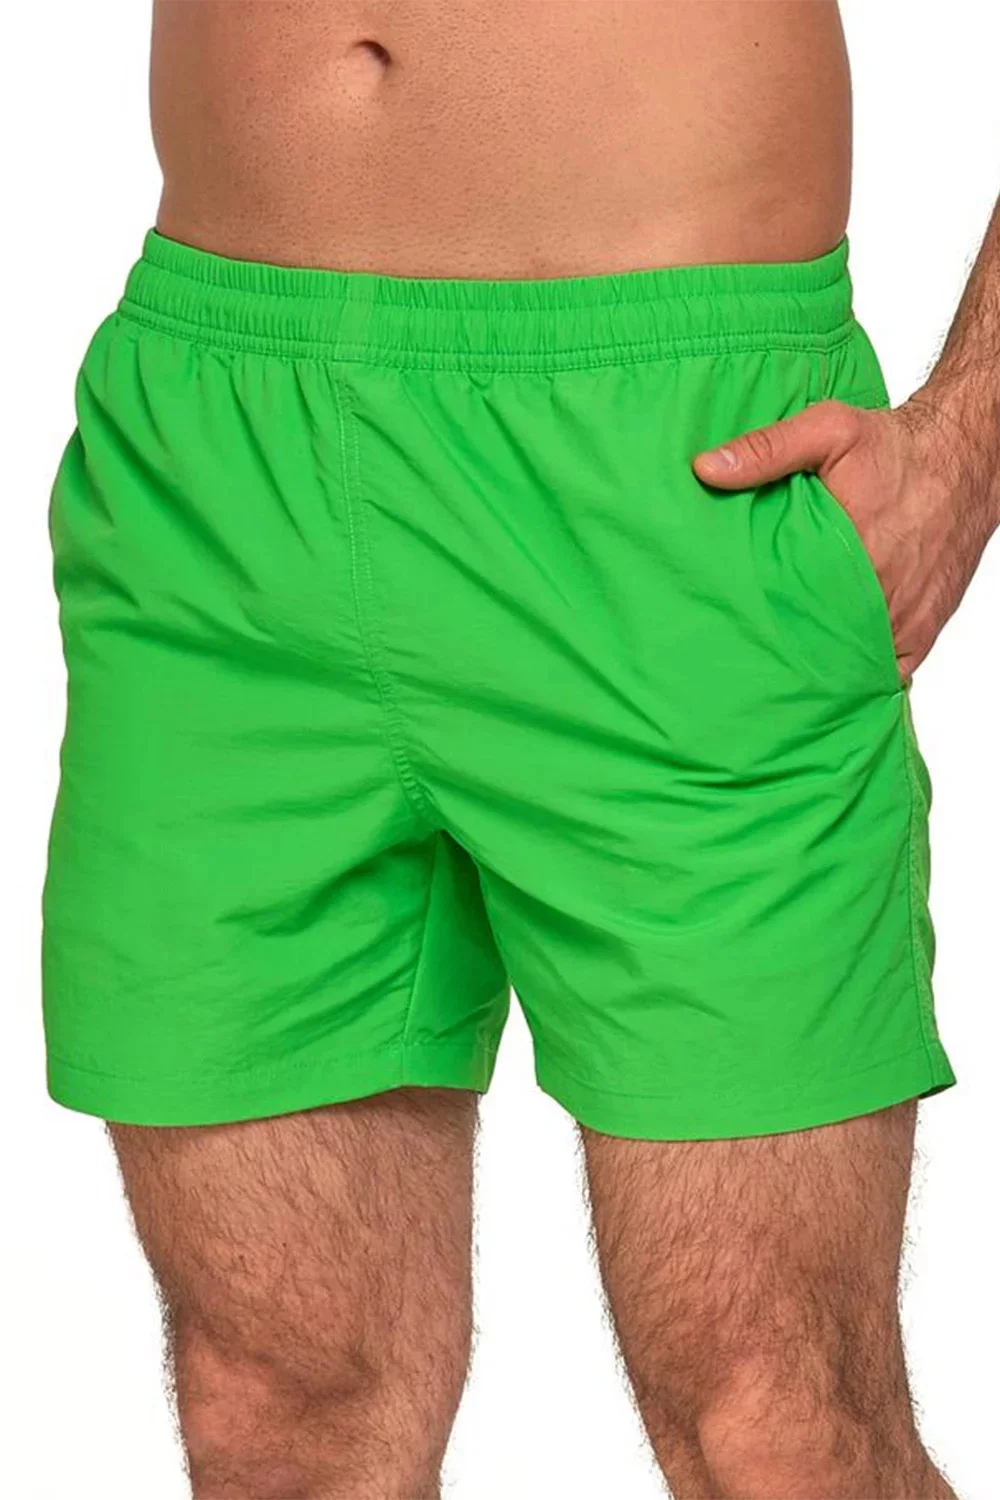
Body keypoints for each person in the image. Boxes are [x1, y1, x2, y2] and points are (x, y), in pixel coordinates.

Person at [42, 4, 996, 1496]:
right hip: (215, 470)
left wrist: (968, 444)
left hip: (672, 475)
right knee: (275, 1413)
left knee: (775, 1429)